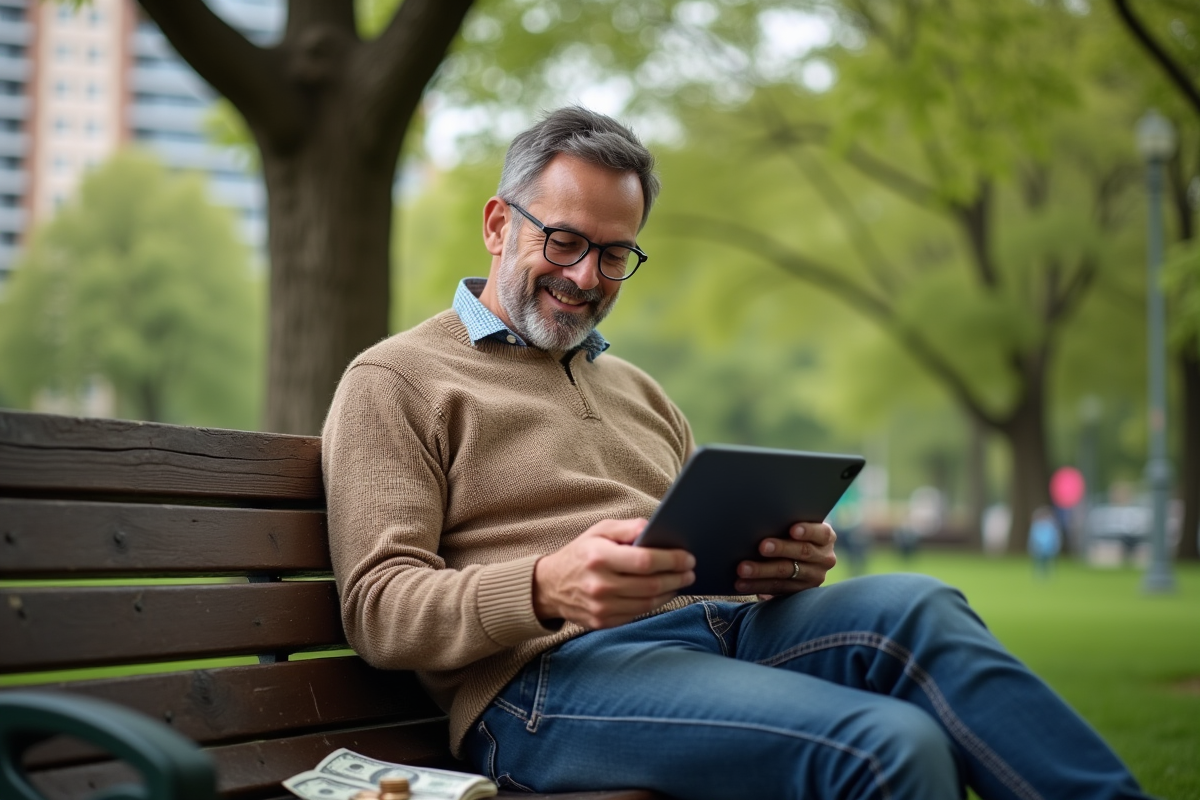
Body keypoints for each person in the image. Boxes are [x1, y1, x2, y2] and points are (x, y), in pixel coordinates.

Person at [322, 107, 1152, 800]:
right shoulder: (398, 379)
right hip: (543, 688)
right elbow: (379, 608)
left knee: (920, 605)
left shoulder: (639, 390)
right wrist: (542, 586)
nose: (587, 277)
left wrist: (782, 561)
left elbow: (700, 555)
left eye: (615, 255)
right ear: (499, 224)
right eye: (565, 241)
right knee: (888, 746)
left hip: (722, 632)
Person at [1028, 506, 1062, 580]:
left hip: (1048, 548)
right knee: (1039, 563)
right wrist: (1032, 546)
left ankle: (1049, 576)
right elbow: (1032, 537)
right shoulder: (1036, 526)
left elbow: (1054, 537)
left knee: (1048, 563)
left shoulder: (1051, 526)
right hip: (1038, 548)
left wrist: (1055, 546)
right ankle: (1039, 576)